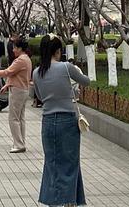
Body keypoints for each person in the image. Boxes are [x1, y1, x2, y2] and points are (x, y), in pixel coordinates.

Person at [32, 36, 89, 207]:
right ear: (58, 51)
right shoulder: (66, 67)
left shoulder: (37, 72)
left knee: (52, 163)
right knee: (70, 163)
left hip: (48, 121)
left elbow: (40, 97)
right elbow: (87, 81)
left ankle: (53, 202)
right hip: (67, 121)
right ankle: (69, 202)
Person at [0, 37, 32, 153]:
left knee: (13, 118)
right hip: (23, 90)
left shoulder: (20, 60)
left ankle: (18, 144)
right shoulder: (26, 59)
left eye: (15, 48)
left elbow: (7, 72)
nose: (13, 50)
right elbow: (15, 75)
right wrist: (6, 85)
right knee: (20, 118)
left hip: (17, 91)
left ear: (20, 48)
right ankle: (21, 142)